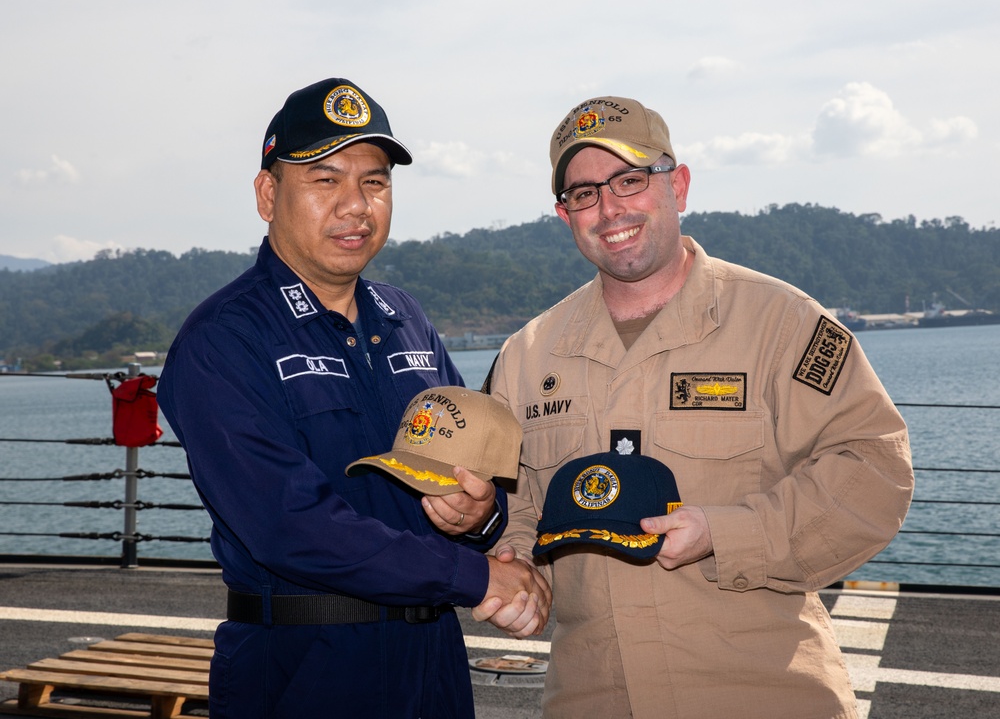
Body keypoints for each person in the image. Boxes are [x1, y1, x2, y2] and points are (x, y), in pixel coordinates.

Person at [479, 95, 913, 718]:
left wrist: (724, 533)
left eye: (629, 180)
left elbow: (875, 472)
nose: (609, 208)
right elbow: (517, 510)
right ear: (563, 213)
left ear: (677, 184)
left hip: (763, 694)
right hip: (593, 697)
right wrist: (517, 575)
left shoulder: (782, 324)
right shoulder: (527, 355)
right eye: (584, 194)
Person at [157, 77, 549, 719]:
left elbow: (481, 463)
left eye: (374, 181)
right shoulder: (225, 339)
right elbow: (288, 526)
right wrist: (478, 578)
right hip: (304, 668)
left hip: (432, 664)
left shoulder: (406, 318)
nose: (356, 205)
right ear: (267, 194)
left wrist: (480, 521)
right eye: (324, 180)